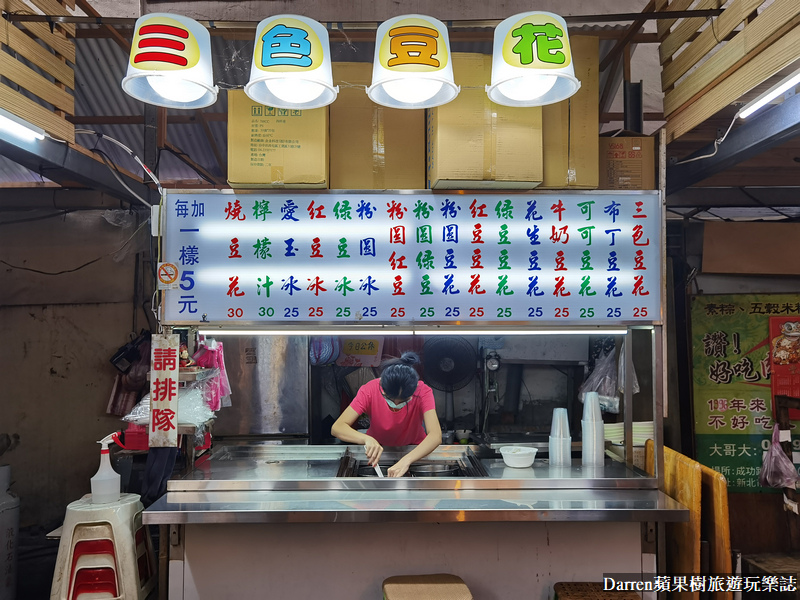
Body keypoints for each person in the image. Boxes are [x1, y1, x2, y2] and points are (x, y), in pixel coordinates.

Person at [331, 352, 441, 477]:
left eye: (403, 401)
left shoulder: (422, 391)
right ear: (382, 385)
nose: (395, 404)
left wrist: (406, 460)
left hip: (415, 453)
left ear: (414, 390)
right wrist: (367, 439)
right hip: (377, 454)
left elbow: (435, 435)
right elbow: (338, 427)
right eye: (390, 399)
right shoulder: (370, 389)